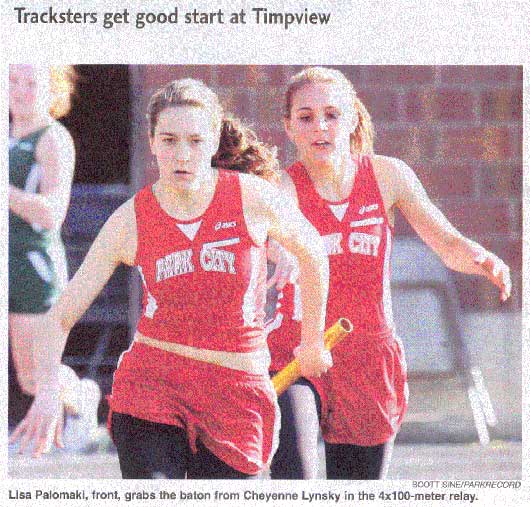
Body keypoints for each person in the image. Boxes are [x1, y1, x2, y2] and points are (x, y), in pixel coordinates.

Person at [9, 78, 332, 479]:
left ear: (213, 142)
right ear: (152, 142)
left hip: (236, 391)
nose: (182, 155)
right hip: (153, 387)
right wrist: (46, 391)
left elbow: (314, 253)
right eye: (169, 140)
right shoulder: (131, 219)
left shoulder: (251, 198)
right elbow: (58, 317)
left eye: (195, 141)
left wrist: (313, 341)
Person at [266, 67, 512, 480]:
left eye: (331, 114)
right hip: (300, 351)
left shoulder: (387, 176)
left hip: (368, 357)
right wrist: (280, 248)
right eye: (305, 117)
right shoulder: (281, 187)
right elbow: (272, 234)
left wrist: (478, 255)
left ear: (353, 120)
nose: (320, 127)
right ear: (289, 128)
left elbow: (447, 243)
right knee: (296, 477)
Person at [8, 64, 101, 452]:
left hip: (33, 264)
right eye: (13, 81)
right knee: (23, 374)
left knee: (35, 375)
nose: (22, 91)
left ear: (52, 89)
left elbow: (52, 212)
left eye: (33, 83)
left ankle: (82, 396)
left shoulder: (53, 138)